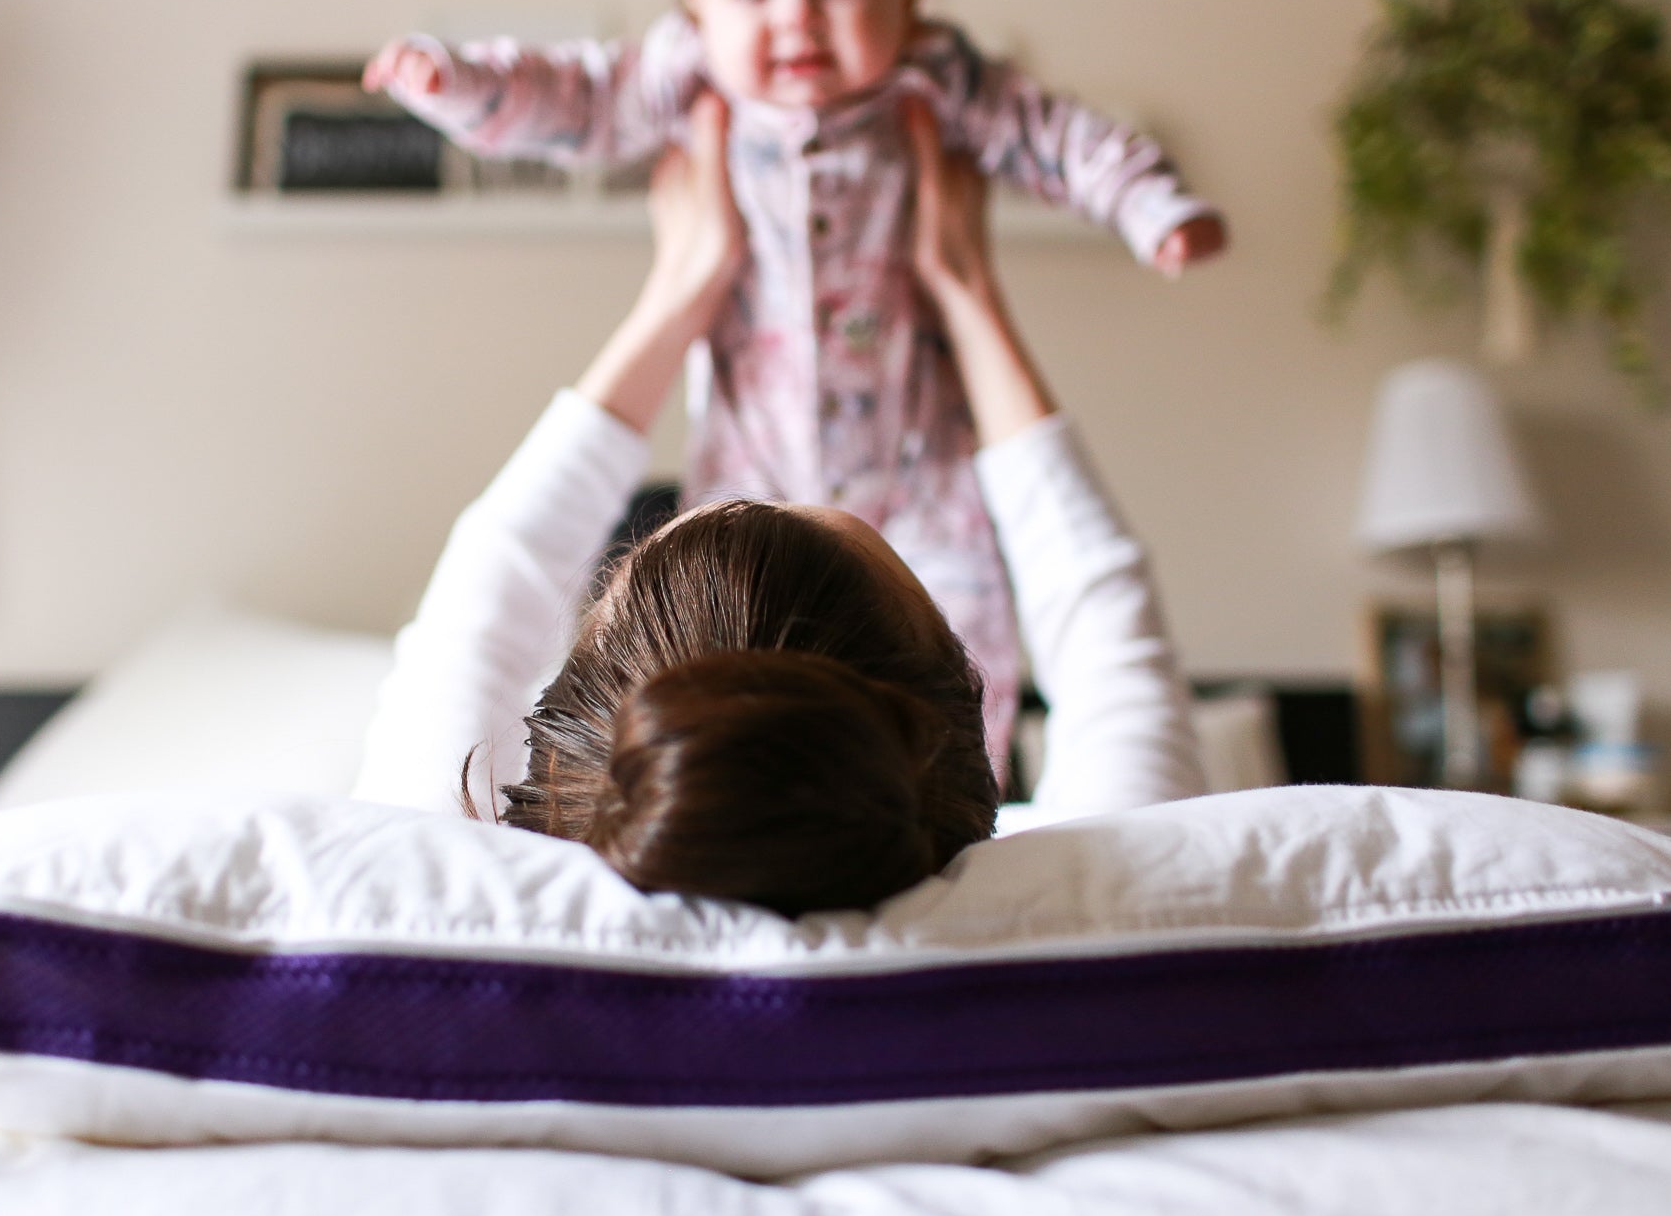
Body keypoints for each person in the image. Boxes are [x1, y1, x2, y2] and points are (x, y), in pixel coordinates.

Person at [362, 0, 1227, 777]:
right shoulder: (687, 77)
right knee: (715, 639)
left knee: (956, 652)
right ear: (695, 13)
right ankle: (724, 775)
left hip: (922, 477)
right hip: (751, 471)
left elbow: (1062, 138)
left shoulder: (941, 79)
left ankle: (956, 797)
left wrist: (1151, 207)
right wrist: (457, 84)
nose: (797, 18)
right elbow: (573, 98)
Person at [352, 92, 1206, 916]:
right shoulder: (1116, 900)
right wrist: (964, 282)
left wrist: (681, 286)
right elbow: (1105, 618)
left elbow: (494, 568)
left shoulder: (420, 897)